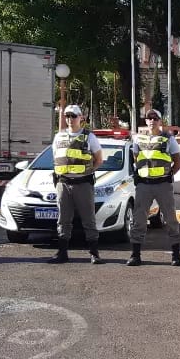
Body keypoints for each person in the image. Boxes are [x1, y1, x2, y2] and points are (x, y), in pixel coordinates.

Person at [127, 108, 180, 267]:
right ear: (145, 121)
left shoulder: (168, 139)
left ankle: (176, 255)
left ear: (160, 121)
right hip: (144, 185)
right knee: (139, 219)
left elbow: (178, 163)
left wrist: (168, 175)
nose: (152, 120)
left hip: (163, 184)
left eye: (155, 118)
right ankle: (135, 255)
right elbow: (136, 160)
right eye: (149, 118)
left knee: (171, 219)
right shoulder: (138, 139)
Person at [49, 104, 104, 264]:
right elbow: (56, 158)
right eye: (67, 116)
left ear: (81, 118)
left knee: (88, 219)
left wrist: (87, 172)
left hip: (83, 183)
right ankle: (62, 253)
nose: (70, 119)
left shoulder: (89, 137)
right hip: (63, 183)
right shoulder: (58, 137)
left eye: (73, 116)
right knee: (63, 219)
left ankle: (94, 253)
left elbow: (99, 160)